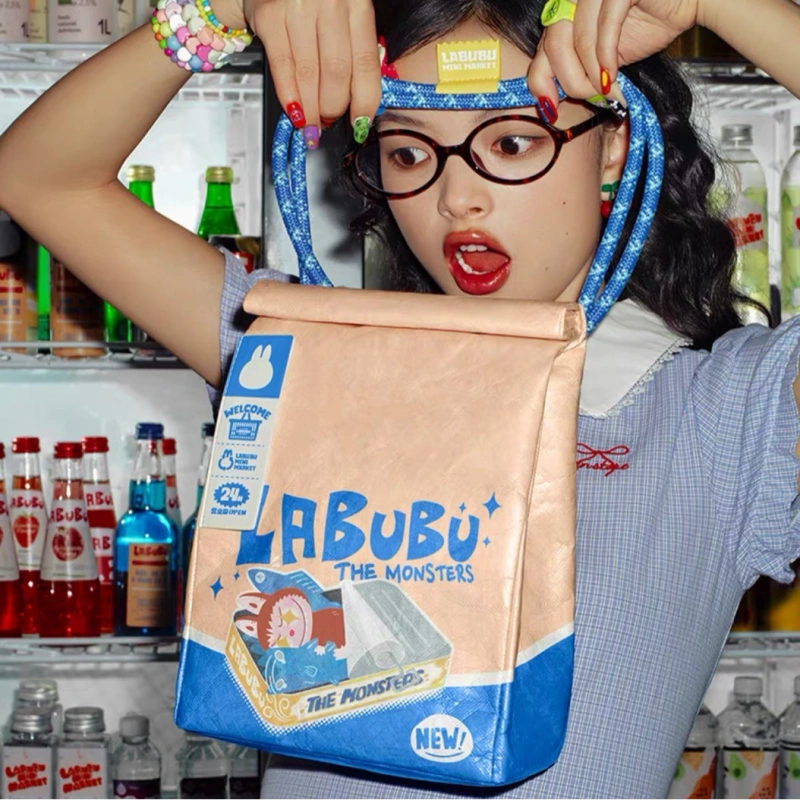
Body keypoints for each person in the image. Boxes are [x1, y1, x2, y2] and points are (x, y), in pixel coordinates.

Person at [0, 0, 799, 795]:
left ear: (615, 144)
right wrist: (225, 11)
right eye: (411, 153)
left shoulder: (727, 415)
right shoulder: (311, 355)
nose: (457, 199)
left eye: (511, 142)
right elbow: (39, 178)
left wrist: (719, 3)